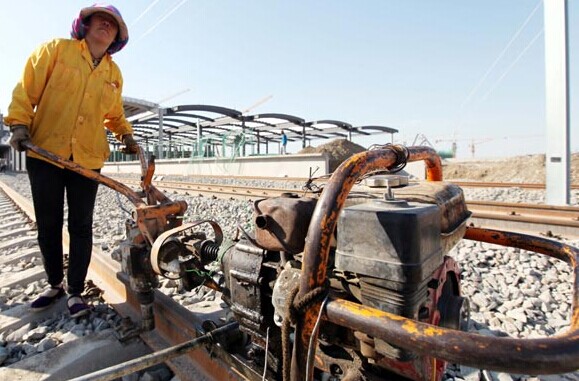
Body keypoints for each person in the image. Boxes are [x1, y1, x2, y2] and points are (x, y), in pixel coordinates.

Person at [4, 3, 138, 318]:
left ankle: (75, 290)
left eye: (113, 24)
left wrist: (127, 136)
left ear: (117, 36)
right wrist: (20, 124)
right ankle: (54, 284)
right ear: (86, 25)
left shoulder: (113, 73)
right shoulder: (55, 51)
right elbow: (26, 90)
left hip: (87, 159)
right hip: (46, 152)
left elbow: (115, 115)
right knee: (48, 222)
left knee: (81, 224)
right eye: (100, 20)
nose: (106, 25)